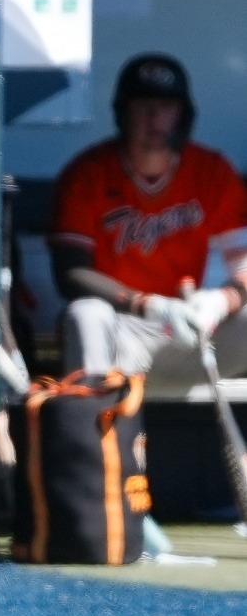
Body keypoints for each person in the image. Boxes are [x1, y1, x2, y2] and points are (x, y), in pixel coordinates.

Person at [52, 53, 247, 385]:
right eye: (142, 106)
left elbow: (243, 263)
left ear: (183, 115)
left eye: (166, 106)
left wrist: (221, 301)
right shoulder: (87, 174)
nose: (154, 117)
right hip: (123, 329)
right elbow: (70, 273)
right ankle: (96, 417)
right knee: (85, 313)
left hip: (191, 329)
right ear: (123, 113)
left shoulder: (211, 171)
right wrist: (146, 304)